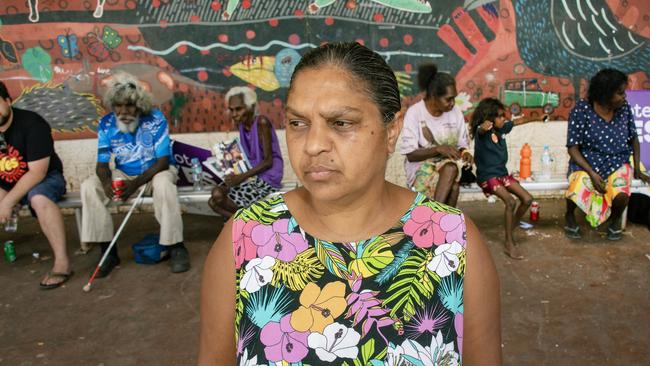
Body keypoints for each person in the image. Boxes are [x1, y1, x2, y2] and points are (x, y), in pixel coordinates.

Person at [199, 42, 501, 365]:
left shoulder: (455, 244)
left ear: (391, 131)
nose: (313, 145)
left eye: (341, 123)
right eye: (298, 123)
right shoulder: (244, 241)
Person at [80, 72, 189, 276]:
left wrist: (134, 185)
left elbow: (163, 162)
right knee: (89, 186)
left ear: (139, 104)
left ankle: (176, 246)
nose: (123, 111)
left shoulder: (155, 119)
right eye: (118, 106)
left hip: (156, 172)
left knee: (164, 184)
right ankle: (107, 252)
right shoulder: (106, 124)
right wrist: (105, 185)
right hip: (124, 174)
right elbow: (102, 165)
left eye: (129, 105)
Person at [0, 81, 72, 289]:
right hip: (8, 182)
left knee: (38, 198)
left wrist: (9, 201)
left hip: (46, 179)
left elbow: (37, 172)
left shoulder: (32, 123)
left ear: (7, 101)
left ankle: (62, 263)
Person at [564, 68, 650, 240]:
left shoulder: (623, 108)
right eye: (620, 93)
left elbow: (633, 138)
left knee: (621, 195)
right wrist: (592, 172)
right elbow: (573, 147)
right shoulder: (582, 109)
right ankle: (569, 216)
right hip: (587, 163)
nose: (624, 96)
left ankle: (615, 220)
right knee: (578, 186)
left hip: (617, 162)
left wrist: (638, 170)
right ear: (605, 93)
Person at [471, 98, 546, 259]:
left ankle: (510, 228)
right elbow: (481, 130)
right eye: (499, 116)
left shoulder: (502, 128)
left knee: (527, 199)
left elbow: (520, 120)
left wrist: (537, 118)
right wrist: (483, 126)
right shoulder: (481, 132)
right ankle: (509, 242)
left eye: (503, 115)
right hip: (487, 176)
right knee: (510, 202)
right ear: (489, 118)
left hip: (502, 174)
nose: (503, 118)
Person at [398, 63, 472, 207]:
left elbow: (462, 144)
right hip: (420, 169)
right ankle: (435, 218)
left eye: (454, 98)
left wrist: (465, 153)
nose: (452, 103)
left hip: (446, 169)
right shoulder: (415, 113)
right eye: (448, 99)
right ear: (433, 96)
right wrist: (438, 149)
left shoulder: (455, 112)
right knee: (452, 178)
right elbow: (410, 155)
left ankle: (435, 222)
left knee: (451, 173)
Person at [208, 86, 283, 217]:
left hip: (267, 176)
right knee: (213, 200)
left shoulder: (262, 122)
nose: (234, 114)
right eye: (231, 110)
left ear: (251, 107)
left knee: (218, 198)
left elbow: (268, 161)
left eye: (239, 109)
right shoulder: (241, 124)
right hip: (251, 174)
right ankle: (249, 225)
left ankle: (248, 225)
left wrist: (241, 177)